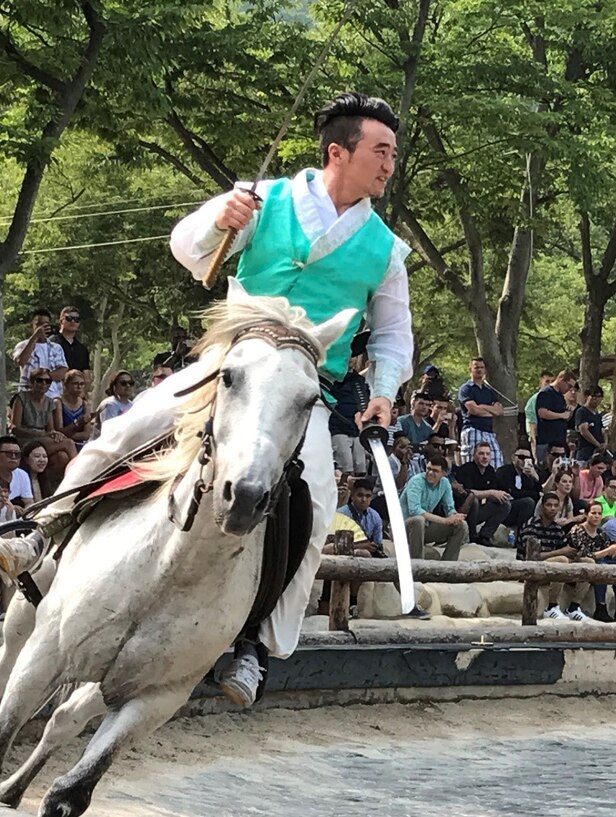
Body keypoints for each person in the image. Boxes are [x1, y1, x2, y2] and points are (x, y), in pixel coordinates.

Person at [0, 91, 418, 709]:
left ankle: (254, 642)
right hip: (230, 363)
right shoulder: (263, 199)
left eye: (392, 153)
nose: (389, 164)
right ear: (339, 151)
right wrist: (218, 220)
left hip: (302, 389)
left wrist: (383, 392)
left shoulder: (386, 248)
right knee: (121, 434)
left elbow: (392, 334)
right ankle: (44, 530)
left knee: (315, 507)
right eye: (380, 151)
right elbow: (187, 248)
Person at [516, 492, 592, 621]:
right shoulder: (531, 526)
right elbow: (532, 557)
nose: (552, 508)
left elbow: (565, 549)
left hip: (550, 566)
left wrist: (575, 554)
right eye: (549, 505)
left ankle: (574, 607)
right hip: (529, 568)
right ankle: (551, 606)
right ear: (542, 507)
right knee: (561, 560)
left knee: (588, 562)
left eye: (556, 506)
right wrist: (561, 552)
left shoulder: (557, 529)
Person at [10, 367, 76, 481]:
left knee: (61, 457)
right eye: (40, 380)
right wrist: (40, 435)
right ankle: (79, 477)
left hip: (43, 440)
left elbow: (50, 429)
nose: (44, 384)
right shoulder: (21, 398)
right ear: (32, 382)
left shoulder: (49, 402)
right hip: (24, 440)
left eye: (47, 381)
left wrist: (55, 434)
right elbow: (14, 428)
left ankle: (51, 487)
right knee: (69, 443)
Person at [400, 455, 468, 561]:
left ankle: (448, 564)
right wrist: (445, 521)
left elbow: (449, 508)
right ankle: (417, 563)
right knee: (419, 520)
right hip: (402, 528)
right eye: (428, 469)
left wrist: (455, 517)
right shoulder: (416, 481)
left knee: (461, 525)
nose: (430, 473)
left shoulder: (445, 483)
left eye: (435, 471)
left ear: (443, 473)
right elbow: (415, 510)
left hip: (425, 528)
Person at [454, 440, 512, 545]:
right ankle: (472, 536)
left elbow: (494, 491)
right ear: (474, 455)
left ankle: (485, 536)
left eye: (487, 454)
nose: (485, 457)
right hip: (462, 511)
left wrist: (500, 495)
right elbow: (467, 493)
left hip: (479, 512)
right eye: (481, 453)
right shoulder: (466, 469)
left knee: (504, 504)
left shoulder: (490, 470)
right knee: (474, 500)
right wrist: (490, 493)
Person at [568, 501, 615, 621]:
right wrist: (607, 551)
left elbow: (608, 553)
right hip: (575, 563)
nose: (596, 516)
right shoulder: (577, 530)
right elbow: (583, 554)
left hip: (597, 563)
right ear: (586, 514)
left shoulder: (601, 533)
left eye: (599, 513)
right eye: (593, 513)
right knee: (591, 564)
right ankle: (574, 607)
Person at [458, 357, 505, 467]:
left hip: (488, 431)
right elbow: (473, 410)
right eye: (476, 367)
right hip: (472, 429)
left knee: (497, 461)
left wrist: (482, 407)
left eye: (481, 367)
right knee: (472, 463)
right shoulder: (466, 389)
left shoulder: (489, 391)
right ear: (470, 369)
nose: (479, 370)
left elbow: (499, 411)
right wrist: (490, 411)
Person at [12, 310, 67, 399]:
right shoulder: (22, 345)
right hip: (28, 394)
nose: (42, 328)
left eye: (46, 324)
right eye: (39, 324)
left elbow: (62, 371)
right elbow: (20, 361)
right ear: (32, 325)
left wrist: (43, 379)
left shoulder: (56, 348)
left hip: (52, 396)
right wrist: (35, 336)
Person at [533, 370, 576, 464]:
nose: (569, 389)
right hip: (547, 442)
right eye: (569, 386)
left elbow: (564, 417)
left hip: (560, 443)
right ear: (561, 379)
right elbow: (542, 413)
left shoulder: (560, 397)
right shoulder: (546, 393)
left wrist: (568, 412)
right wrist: (561, 415)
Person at [495, 447, 541, 534]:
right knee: (528, 502)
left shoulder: (528, 475)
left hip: (521, 510)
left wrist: (536, 478)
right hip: (504, 507)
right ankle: (522, 534)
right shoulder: (504, 471)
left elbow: (539, 492)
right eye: (521, 457)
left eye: (527, 458)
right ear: (513, 458)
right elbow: (513, 492)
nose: (524, 461)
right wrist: (536, 494)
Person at [53, 369, 94, 452]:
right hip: (62, 444)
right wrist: (78, 423)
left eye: (82, 384)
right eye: (75, 383)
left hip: (80, 444)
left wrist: (67, 434)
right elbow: (59, 430)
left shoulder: (85, 405)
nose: (79, 387)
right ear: (66, 384)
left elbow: (86, 434)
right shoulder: (58, 402)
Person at [337, 477, 384, 548]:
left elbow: (378, 543)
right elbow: (337, 545)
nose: (364, 499)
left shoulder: (375, 517)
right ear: (352, 496)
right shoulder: (341, 514)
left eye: (368, 496)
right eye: (360, 495)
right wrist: (360, 546)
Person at [49, 306, 90, 374]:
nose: (73, 321)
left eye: (77, 319)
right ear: (61, 321)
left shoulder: (82, 349)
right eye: (69, 318)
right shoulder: (52, 342)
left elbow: (86, 373)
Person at [573, 385, 605, 465]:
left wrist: (605, 443)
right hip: (584, 452)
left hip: (597, 454)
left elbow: (602, 430)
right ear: (587, 396)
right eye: (594, 397)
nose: (596, 400)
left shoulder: (598, 415)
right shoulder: (582, 412)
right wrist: (597, 444)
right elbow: (584, 431)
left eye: (599, 398)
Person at [0, 436, 33, 511]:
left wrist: (25, 512)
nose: (13, 457)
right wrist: (12, 509)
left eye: (17, 454)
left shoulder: (22, 475)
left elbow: (29, 502)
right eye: (9, 453)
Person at [524, 370, 552, 454]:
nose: (549, 385)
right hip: (539, 438)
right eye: (547, 381)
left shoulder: (555, 399)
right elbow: (532, 425)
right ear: (540, 383)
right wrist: (534, 447)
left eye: (552, 382)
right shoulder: (534, 400)